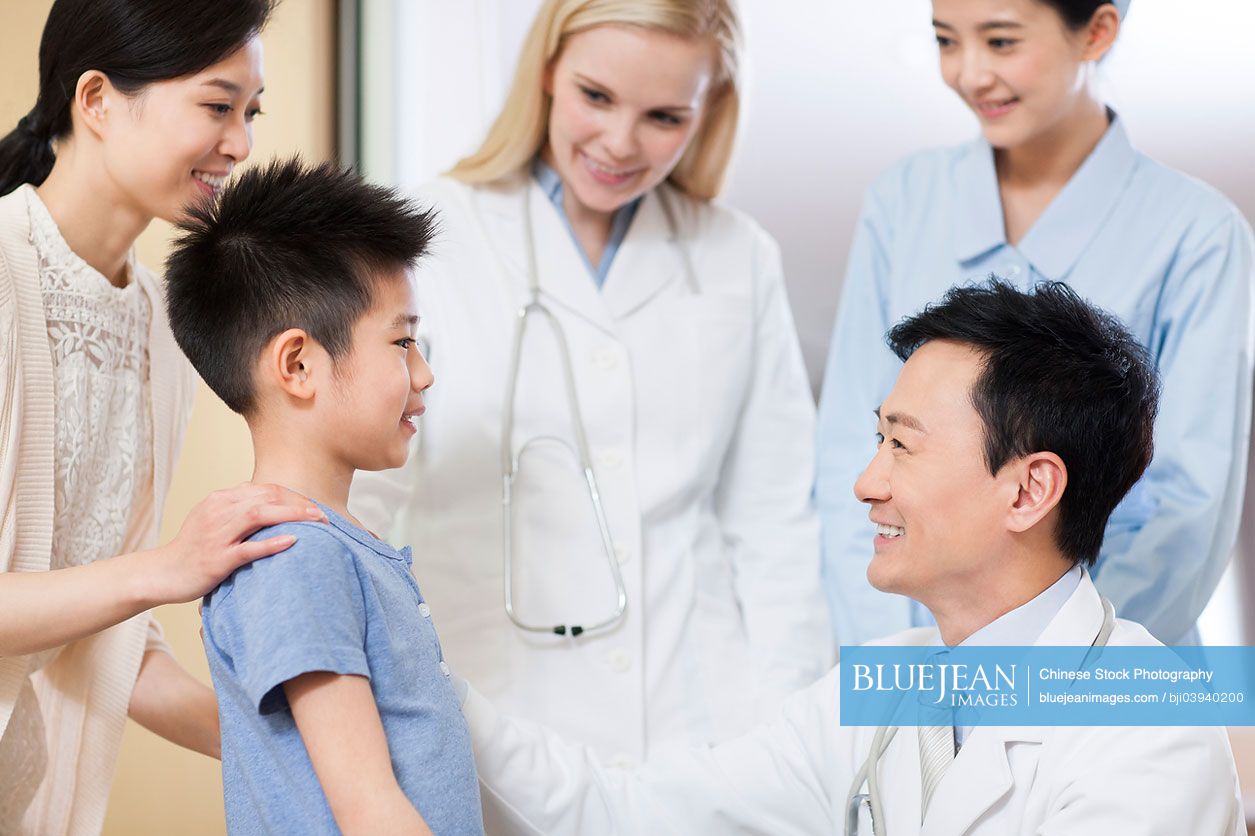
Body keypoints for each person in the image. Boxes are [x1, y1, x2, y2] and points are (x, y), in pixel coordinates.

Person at [457, 281, 1244, 835]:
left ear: (1028, 489)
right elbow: (626, 814)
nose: (868, 484)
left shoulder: (1153, 726)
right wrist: (415, 671)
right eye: (877, 440)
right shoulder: (883, 684)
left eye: (901, 445)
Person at [351, 0, 832, 764]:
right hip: (490, 706)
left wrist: (791, 736)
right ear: (546, 70)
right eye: (596, 97)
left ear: (708, 114)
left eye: (664, 117)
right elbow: (360, 493)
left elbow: (773, 519)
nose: (619, 142)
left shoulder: (736, 256)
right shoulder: (428, 237)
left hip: (699, 717)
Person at [816, 0, 1255, 647]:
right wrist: (897, 666)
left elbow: (1185, 504)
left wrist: (1057, 672)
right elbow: (848, 457)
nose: (968, 74)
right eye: (945, 40)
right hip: (919, 659)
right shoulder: (902, 202)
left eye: (999, 41)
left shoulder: (1198, 234)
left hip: (1114, 655)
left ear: (1097, 31)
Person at [0, 1, 322, 832]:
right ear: (98, 99)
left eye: (250, 114)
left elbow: (104, 640)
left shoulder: (157, 328)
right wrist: (167, 566)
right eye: (217, 106)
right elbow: (134, 585)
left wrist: (313, 739)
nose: (242, 144)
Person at [166, 157, 482, 836]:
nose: (422, 374)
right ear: (299, 365)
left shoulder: (328, 545)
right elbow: (367, 805)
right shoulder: (293, 555)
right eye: (402, 342)